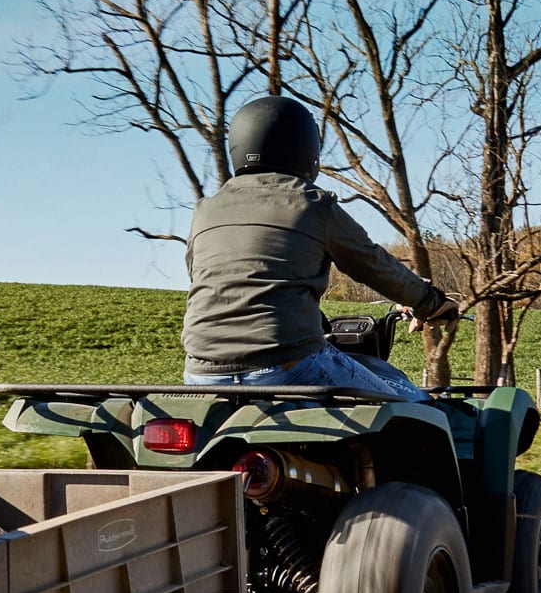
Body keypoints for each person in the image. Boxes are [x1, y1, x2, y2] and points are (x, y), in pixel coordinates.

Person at [182, 95, 460, 401]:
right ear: (304, 148)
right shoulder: (311, 204)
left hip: (201, 374)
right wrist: (429, 303)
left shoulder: (205, 210)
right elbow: (373, 264)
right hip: (287, 366)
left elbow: (210, 276)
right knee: (414, 408)